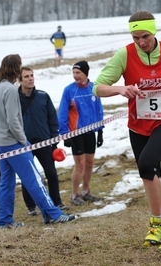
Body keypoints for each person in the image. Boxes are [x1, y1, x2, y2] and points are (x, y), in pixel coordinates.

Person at [93, 10, 161, 254]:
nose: (140, 42)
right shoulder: (124, 55)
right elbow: (97, 88)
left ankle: (155, 222)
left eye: (144, 36)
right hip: (138, 127)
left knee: (147, 163)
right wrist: (120, 88)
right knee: (152, 175)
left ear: (154, 32)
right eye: (135, 37)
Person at [0, 54, 76, 228]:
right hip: (13, 143)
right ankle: (53, 214)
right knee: (34, 179)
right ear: (15, 68)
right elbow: (13, 120)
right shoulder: (10, 90)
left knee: (6, 182)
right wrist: (24, 141)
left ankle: (5, 221)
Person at [18, 67, 69, 216]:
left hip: (44, 142)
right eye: (26, 76)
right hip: (24, 144)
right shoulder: (15, 99)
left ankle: (57, 201)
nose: (30, 78)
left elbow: (53, 119)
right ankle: (31, 207)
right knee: (28, 176)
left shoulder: (43, 96)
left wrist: (54, 141)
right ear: (20, 80)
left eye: (32, 75)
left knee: (51, 174)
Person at [57, 60, 104, 206]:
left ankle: (86, 191)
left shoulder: (94, 88)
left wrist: (100, 131)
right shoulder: (69, 90)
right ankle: (74, 195)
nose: (75, 76)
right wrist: (65, 134)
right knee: (80, 165)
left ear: (85, 73)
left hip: (90, 132)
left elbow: (98, 110)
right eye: (73, 73)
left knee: (89, 163)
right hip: (76, 133)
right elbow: (63, 113)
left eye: (78, 73)